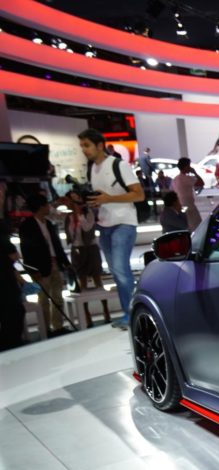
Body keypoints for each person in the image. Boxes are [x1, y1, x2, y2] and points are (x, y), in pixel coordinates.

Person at [78, 128, 144, 330]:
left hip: (124, 222)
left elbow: (139, 194)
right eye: (82, 146)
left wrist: (109, 198)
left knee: (121, 271)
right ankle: (130, 313)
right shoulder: (92, 168)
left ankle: (133, 314)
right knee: (117, 272)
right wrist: (94, 201)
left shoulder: (119, 165)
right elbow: (103, 196)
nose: (84, 150)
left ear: (99, 145)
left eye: (87, 145)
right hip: (104, 224)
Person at [19, 193, 71, 336]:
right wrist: (32, 270)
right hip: (40, 267)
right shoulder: (27, 226)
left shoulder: (48, 223)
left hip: (54, 263)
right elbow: (26, 250)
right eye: (47, 205)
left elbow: (57, 245)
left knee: (58, 296)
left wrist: (65, 262)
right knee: (43, 299)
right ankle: (46, 328)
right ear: (41, 207)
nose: (49, 207)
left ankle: (58, 326)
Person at [62, 191, 110, 326]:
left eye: (75, 199)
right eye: (71, 200)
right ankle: (86, 317)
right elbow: (71, 235)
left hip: (90, 248)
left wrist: (80, 215)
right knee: (81, 283)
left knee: (97, 279)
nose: (73, 202)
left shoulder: (88, 213)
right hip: (77, 250)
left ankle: (106, 312)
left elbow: (87, 227)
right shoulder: (68, 217)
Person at [0, 218, 24, 350]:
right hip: (6, 281)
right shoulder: (4, 240)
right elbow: (14, 256)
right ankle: (13, 342)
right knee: (14, 312)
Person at [171, 157, 205, 231]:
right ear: (186, 166)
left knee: (187, 226)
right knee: (196, 226)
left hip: (179, 205)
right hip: (189, 205)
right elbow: (201, 183)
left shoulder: (175, 179)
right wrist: (195, 173)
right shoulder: (187, 178)